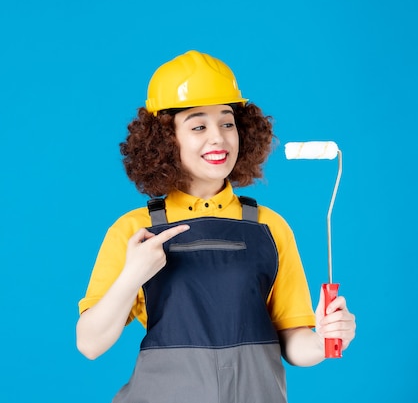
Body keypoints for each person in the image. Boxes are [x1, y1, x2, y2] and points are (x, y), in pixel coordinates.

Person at [76, 50, 356, 402]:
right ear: (165, 141)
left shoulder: (269, 227)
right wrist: (133, 273)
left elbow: (293, 342)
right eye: (197, 126)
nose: (219, 138)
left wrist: (324, 339)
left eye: (227, 123)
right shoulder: (136, 230)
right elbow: (89, 344)